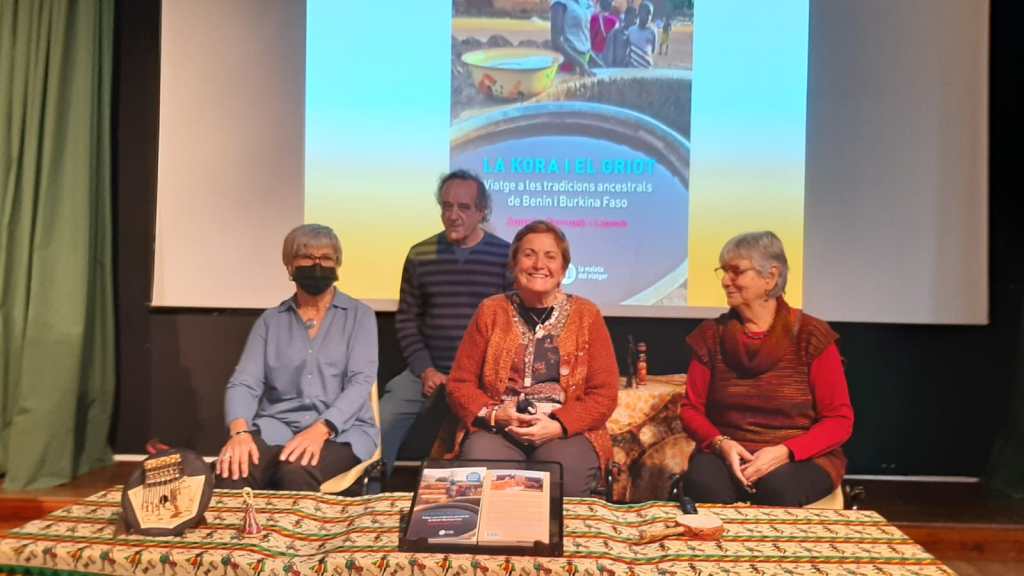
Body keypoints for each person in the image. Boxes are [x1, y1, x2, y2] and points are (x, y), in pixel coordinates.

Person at [678, 231, 854, 506]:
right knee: (703, 483)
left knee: (777, 488)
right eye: (723, 271)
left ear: (770, 278)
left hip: (800, 455)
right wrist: (721, 443)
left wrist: (786, 451)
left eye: (736, 271)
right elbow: (691, 409)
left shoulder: (811, 335)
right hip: (729, 451)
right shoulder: (710, 335)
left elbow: (839, 420)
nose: (725, 281)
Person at [446, 220, 619, 497]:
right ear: (514, 264)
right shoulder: (490, 311)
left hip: (564, 431)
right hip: (499, 428)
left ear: (563, 270)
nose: (539, 264)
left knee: (562, 476)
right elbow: (459, 384)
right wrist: (495, 415)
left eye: (550, 256)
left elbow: (604, 394)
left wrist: (559, 425)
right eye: (529, 255)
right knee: (487, 478)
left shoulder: (587, 315)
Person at [216, 224, 378, 491]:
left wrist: (321, 429)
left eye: (326, 258)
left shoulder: (360, 316)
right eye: (307, 257)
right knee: (233, 469)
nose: (317, 264)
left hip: (342, 432)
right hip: (277, 427)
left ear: (337, 264)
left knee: (295, 471)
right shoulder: (271, 321)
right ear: (290, 266)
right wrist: (240, 432)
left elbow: (360, 383)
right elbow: (244, 382)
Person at [379, 170, 512, 474]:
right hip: (428, 374)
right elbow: (407, 321)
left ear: (482, 211)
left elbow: (511, 327)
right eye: (447, 206)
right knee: (383, 420)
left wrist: (477, 380)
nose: (453, 215)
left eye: (463, 207)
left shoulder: (504, 255)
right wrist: (425, 370)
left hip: (482, 379)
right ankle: (373, 494)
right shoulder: (420, 254)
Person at [551, 0, 599, 76]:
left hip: (584, 62)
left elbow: (582, 35)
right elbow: (556, 41)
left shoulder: (585, 2)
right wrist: (580, 64)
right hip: (567, 64)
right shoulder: (560, 3)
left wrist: (595, 60)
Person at [626, 1, 658, 68]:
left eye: (650, 14)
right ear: (639, 13)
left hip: (646, 67)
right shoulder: (631, 30)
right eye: (646, 13)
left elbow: (653, 50)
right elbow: (627, 48)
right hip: (632, 67)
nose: (648, 17)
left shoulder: (652, 31)